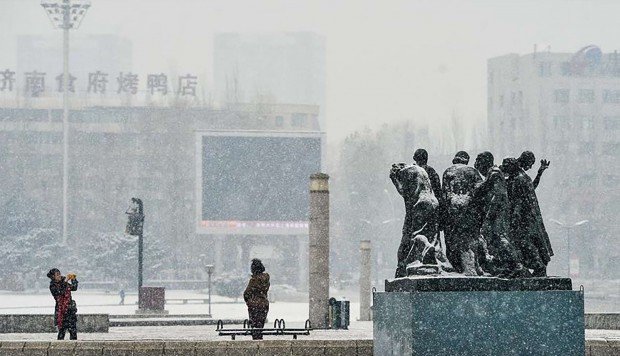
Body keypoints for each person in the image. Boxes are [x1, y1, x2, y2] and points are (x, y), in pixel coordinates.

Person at [472, 152, 525, 277]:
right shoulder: (492, 174)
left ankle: (515, 265)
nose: (477, 164)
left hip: (498, 213)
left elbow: (498, 195)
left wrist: (490, 214)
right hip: (496, 212)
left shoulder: (495, 174)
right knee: (495, 240)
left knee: (499, 238)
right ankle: (508, 265)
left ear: (485, 162)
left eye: (479, 161)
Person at [502, 158, 554, 277]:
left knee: (523, 243)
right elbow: (529, 189)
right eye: (529, 164)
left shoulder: (519, 178)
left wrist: (515, 216)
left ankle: (537, 266)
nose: (529, 167)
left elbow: (519, 198)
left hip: (524, 219)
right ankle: (535, 266)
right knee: (525, 243)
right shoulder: (518, 177)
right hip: (525, 218)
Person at [390, 162, 440, 277]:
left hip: (421, 203)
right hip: (433, 202)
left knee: (416, 234)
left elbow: (404, 191)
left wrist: (394, 180)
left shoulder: (405, 172)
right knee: (432, 235)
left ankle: (426, 247)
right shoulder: (420, 170)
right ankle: (433, 257)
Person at [441, 151, 484, 275]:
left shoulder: (448, 172)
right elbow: (480, 190)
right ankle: (472, 267)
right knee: (470, 239)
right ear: (466, 160)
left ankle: (457, 267)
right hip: (470, 211)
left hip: (453, 210)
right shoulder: (473, 172)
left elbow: (445, 194)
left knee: (453, 240)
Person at [47, 268, 79, 340]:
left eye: (59, 274)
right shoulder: (53, 286)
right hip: (61, 312)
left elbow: (74, 288)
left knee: (73, 331)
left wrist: (73, 279)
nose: (59, 276)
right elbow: (60, 291)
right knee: (62, 332)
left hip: (70, 310)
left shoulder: (64, 283)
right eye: (57, 275)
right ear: (53, 277)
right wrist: (66, 281)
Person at [243, 259, 270, 340]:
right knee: (260, 326)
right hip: (264, 304)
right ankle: (260, 343)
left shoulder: (254, 280)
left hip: (255, 305)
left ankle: (256, 345)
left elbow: (246, 293)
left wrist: (249, 302)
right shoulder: (266, 279)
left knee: (254, 328)